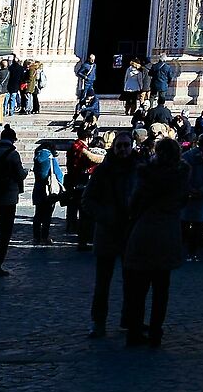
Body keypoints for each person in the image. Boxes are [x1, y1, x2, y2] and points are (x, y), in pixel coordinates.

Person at [122, 138, 188, 347]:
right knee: (162, 288)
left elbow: (134, 203)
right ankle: (156, 332)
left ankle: (134, 331)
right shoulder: (181, 174)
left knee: (138, 287)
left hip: (145, 229)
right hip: (168, 231)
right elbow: (183, 200)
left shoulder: (146, 173)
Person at [79, 135, 137, 335]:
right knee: (103, 283)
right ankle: (98, 321)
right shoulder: (103, 171)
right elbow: (87, 201)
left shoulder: (139, 169)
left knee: (132, 282)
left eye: (126, 146)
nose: (123, 149)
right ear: (113, 148)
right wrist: (105, 216)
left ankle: (129, 319)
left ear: (132, 146)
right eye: (119, 146)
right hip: (107, 232)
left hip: (131, 232)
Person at [31, 135, 64, 244]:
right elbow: (58, 174)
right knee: (47, 215)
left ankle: (36, 237)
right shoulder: (50, 158)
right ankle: (45, 237)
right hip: (49, 190)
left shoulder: (37, 158)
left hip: (38, 189)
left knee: (37, 214)